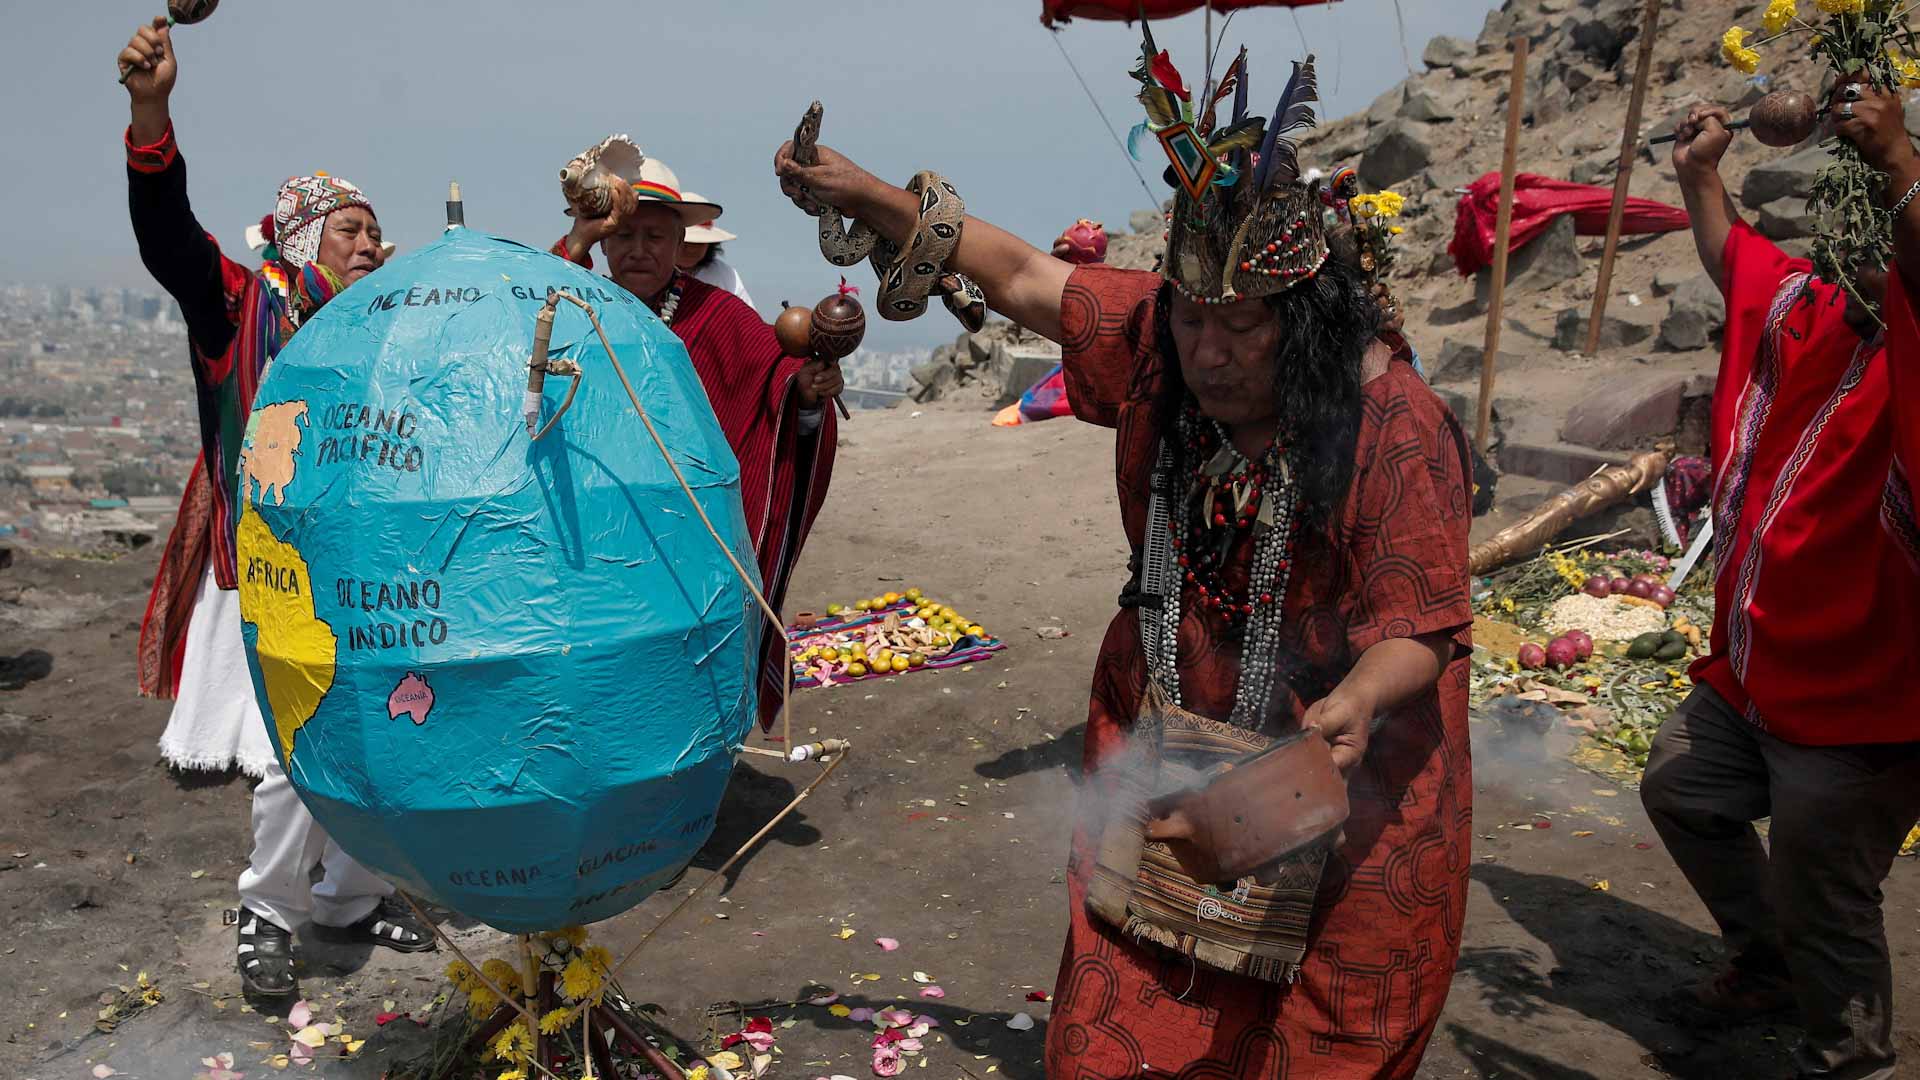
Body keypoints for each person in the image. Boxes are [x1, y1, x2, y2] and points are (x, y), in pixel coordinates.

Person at [776, 47, 1472, 1078]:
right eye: (1193, 318)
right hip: (1163, 742)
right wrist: (865, 193)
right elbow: (1023, 277)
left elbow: (1424, 624)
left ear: (1305, 322)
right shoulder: (1156, 340)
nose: (1210, 351)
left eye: (1244, 325)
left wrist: (1358, 702)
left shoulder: (1391, 421)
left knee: (1319, 1050)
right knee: (1110, 1041)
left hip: (1343, 775)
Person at [118, 16, 432, 998]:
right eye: (351, 230)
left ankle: (349, 896)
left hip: (364, 566)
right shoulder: (239, 306)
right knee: (302, 748)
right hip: (273, 568)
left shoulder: (383, 332)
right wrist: (152, 115)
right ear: (301, 239)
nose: (371, 245)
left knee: (387, 729)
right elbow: (168, 236)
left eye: (375, 232)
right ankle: (267, 912)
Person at [1641, 90, 1920, 1080]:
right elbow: (1742, 263)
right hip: (1758, 678)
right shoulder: (1817, 312)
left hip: (1863, 707)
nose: (1864, 251)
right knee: (1680, 785)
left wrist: (1898, 160)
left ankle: (1851, 1058)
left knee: (1823, 884)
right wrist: (1699, 173)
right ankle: (1766, 965)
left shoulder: (1912, 357)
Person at [553, 149, 841, 729]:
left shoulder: (719, 314)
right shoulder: (573, 304)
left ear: (681, 241)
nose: (639, 249)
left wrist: (807, 391)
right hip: (593, 528)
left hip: (688, 535)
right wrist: (579, 237)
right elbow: (526, 324)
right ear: (603, 242)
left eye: (656, 236)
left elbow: (775, 377)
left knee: (685, 667)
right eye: (624, 234)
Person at [675, 196, 756, 307]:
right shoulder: (653, 272)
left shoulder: (725, 275)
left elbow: (746, 314)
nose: (691, 249)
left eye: (699, 243)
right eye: (686, 243)